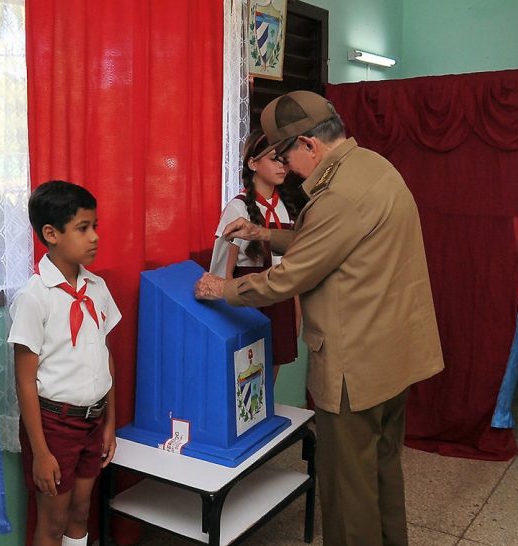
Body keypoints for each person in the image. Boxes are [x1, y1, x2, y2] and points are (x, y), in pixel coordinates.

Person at [195, 90, 444, 545]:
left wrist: (223, 288)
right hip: (394, 356)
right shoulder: (373, 166)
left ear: (310, 144)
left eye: (287, 156)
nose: (287, 169)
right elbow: (331, 241)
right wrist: (263, 232)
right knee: (383, 470)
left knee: (347, 491)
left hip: (356, 365)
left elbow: (286, 279)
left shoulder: (338, 195)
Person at [9, 180, 121, 546]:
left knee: (80, 510)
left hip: (93, 421)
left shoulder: (98, 288)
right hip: (55, 426)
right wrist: (41, 453)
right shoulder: (34, 297)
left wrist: (110, 423)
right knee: (53, 522)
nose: (94, 237)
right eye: (83, 228)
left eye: (95, 227)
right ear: (51, 234)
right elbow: (25, 381)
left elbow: (106, 357)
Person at [216, 128, 302, 379]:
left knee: (272, 371)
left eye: (284, 160)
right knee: (246, 374)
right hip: (250, 299)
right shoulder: (237, 207)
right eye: (275, 158)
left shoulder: (286, 208)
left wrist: (296, 309)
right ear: (253, 163)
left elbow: (292, 263)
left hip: (281, 297)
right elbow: (223, 271)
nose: (282, 166)